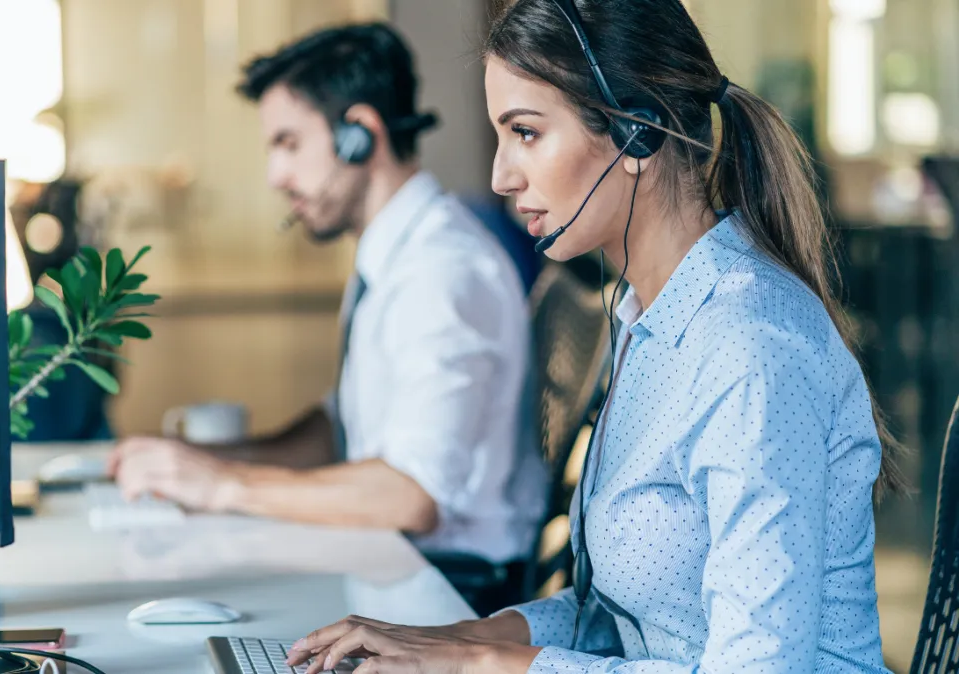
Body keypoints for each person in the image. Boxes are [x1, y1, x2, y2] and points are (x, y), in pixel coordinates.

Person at [285, 0, 904, 672]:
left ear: (637, 133)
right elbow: (618, 620)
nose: (500, 177)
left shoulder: (751, 346)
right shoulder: (645, 315)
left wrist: (481, 667)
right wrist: (456, 639)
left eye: (525, 133)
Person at [109, 22, 547, 610]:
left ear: (359, 135)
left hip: (448, 593)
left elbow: (410, 495)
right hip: (388, 566)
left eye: (288, 143)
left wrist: (222, 485)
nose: (275, 176)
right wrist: (199, 464)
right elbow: (343, 429)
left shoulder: (441, 272)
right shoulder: (392, 256)